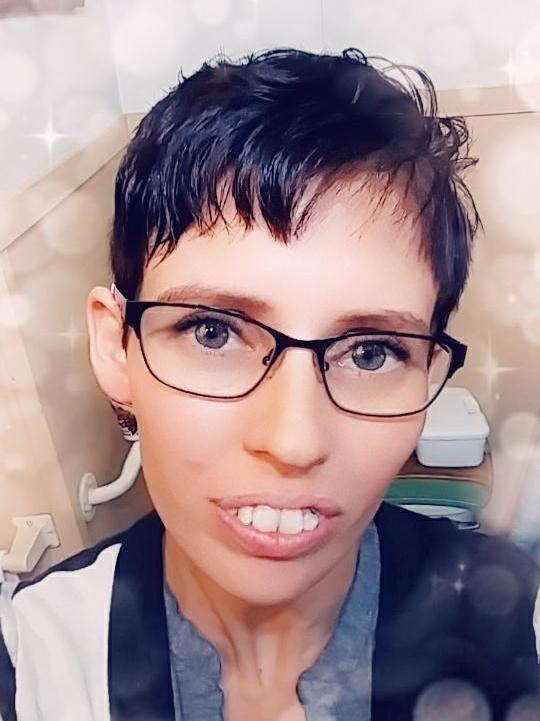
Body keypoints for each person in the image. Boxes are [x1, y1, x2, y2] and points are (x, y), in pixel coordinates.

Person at [1, 48, 539, 721]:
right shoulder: (35, 661)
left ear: (429, 376)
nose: (294, 441)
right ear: (116, 345)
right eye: (213, 333)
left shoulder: (518, 628)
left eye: (371, 352)